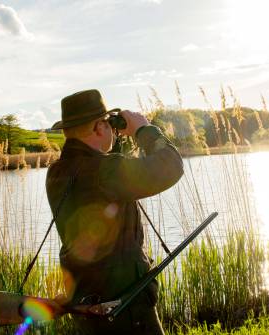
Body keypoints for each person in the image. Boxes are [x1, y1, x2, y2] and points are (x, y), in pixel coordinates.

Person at [45, 89, 183, 334]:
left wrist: (114, 142)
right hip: (125, 304)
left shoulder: (56, 172)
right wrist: (144, 130)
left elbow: (107, 180)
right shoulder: (104, 171)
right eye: (108, 124)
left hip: (86, 301)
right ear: (99, 127)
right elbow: (171, 166)